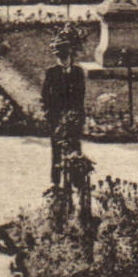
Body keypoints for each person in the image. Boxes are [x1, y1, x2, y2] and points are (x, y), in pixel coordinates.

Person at [40, 35, 87, 190]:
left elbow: (80, 95)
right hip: (56, 116)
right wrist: (49, 113)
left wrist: (76, 114)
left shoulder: (78, 72)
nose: (63, 60)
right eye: (60, 57)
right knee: (57, 148)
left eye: (65, 57)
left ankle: (77, 179)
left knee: (75, 146)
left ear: (70, 56)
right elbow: (45, 95)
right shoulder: (52, 72)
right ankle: (55, 180)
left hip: (74, 115)